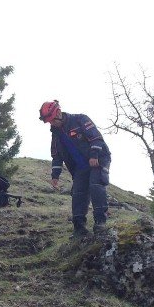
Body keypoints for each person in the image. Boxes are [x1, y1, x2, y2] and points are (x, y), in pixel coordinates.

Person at [40, 99, 112, 237]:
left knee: (96, 185)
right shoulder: (55, 135)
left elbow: (96, 138)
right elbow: (56, 156)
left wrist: (94, 155)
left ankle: (100, 223)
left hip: (98, 158)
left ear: (59, 112)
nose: (52, 123)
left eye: (52, 120)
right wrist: (55, 176)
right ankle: (79, 229)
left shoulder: (80, 120)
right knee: (78, 193)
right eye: (49, 121)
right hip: (80, 166)